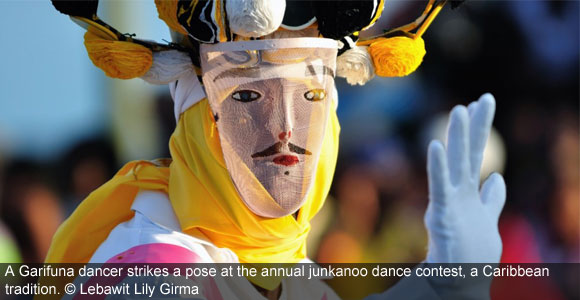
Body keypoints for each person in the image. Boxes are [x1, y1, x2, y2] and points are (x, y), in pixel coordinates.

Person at [46, 0, 506, 299]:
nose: (285, 129)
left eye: (309, 98)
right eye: (247, 96)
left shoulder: (282, 267)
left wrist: (444, 283)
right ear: (198, 117)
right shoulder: (160, 271)